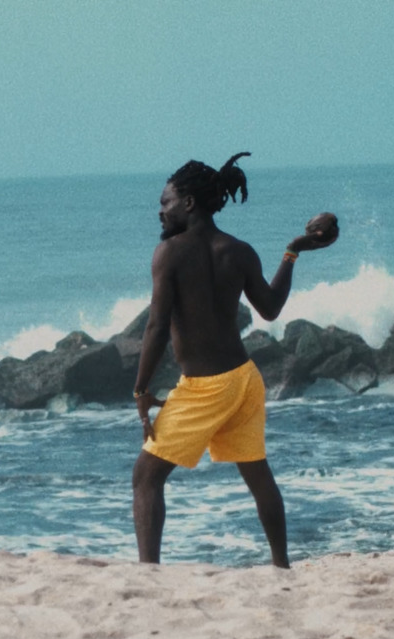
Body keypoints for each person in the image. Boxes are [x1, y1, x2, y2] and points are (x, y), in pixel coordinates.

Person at [132, 152, 338, 568]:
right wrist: (292, 251)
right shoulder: (239, 251)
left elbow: (156, 327)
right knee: (258, 475)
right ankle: (281, 566)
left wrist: (140, 387)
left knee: (146, 477)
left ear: (189, 203)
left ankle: (147, 573)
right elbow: (271, 308)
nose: (160, 210)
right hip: (243, 380)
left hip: (205, 387)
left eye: (165, 202)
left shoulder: (169, 254)